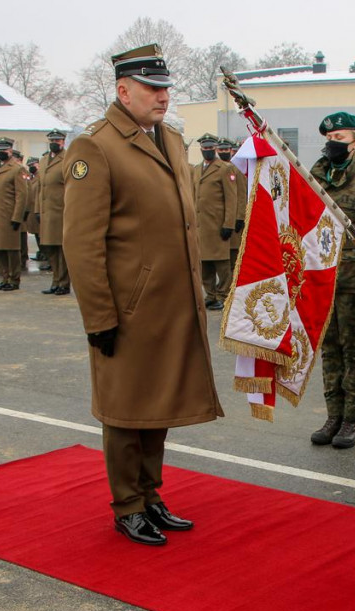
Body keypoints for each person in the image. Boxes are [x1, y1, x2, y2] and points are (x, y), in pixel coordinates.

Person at [63, 43, 223, 546]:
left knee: (159, 405)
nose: (163, 96)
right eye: (153, 88)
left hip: (171, 304)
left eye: (166, 88)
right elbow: (81, 242)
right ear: (123, 90)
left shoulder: (172, 140)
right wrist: (100, 318)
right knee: (126, 409)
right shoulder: (97, 147)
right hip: (127, 308)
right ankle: (127, 503)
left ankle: (151, 495)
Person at [308, 111, 355, 450]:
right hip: (322, 277)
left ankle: (351, 419)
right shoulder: (315, 178)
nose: (333, 145)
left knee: (354, 350)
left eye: (341, 139)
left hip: (353, 282)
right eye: (330, 139)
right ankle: (333, 415)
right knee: (329, 350)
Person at [191, 133, 238, 310]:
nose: (208, 150)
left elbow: (231, 199)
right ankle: (210, 295)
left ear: (215, 149)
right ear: (201, 149)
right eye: (205, 148)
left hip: (218, 224)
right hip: (201, 225)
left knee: (222, 263)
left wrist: (229, 224)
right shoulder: (196, 169)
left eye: (211, 148)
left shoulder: (224, 169)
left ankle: (224, 295)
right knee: (205, 264)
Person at [0, 138, 28, 291]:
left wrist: (17, 217)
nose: (2, 152)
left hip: (8, 215)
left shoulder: (17, 169)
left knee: (11, 249)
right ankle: (4, 278)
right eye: (0, 150)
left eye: (5, 150)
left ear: (11, 151)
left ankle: (14, 279)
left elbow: (21, 195)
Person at [38, 129, 70, 295]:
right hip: (47, 212)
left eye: (57, 141)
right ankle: (55, 280)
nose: (54, 143)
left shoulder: (68, 158)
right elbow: (39, 187)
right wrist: (38, 209)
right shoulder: (43, 160)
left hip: (61, 211)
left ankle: (63, 283)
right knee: (50, 248)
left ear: (63, 142)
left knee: (62, 250)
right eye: (52, 140)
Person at [216, 138, 247, 272]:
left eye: (226, 150)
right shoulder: (216, 169)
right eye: (221, 150)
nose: (223, 152)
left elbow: (241, 194)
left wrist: (240, 217)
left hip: (234, 222)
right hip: (219, 221)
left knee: (233, 259)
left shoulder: (236, 169)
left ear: (230, 151)